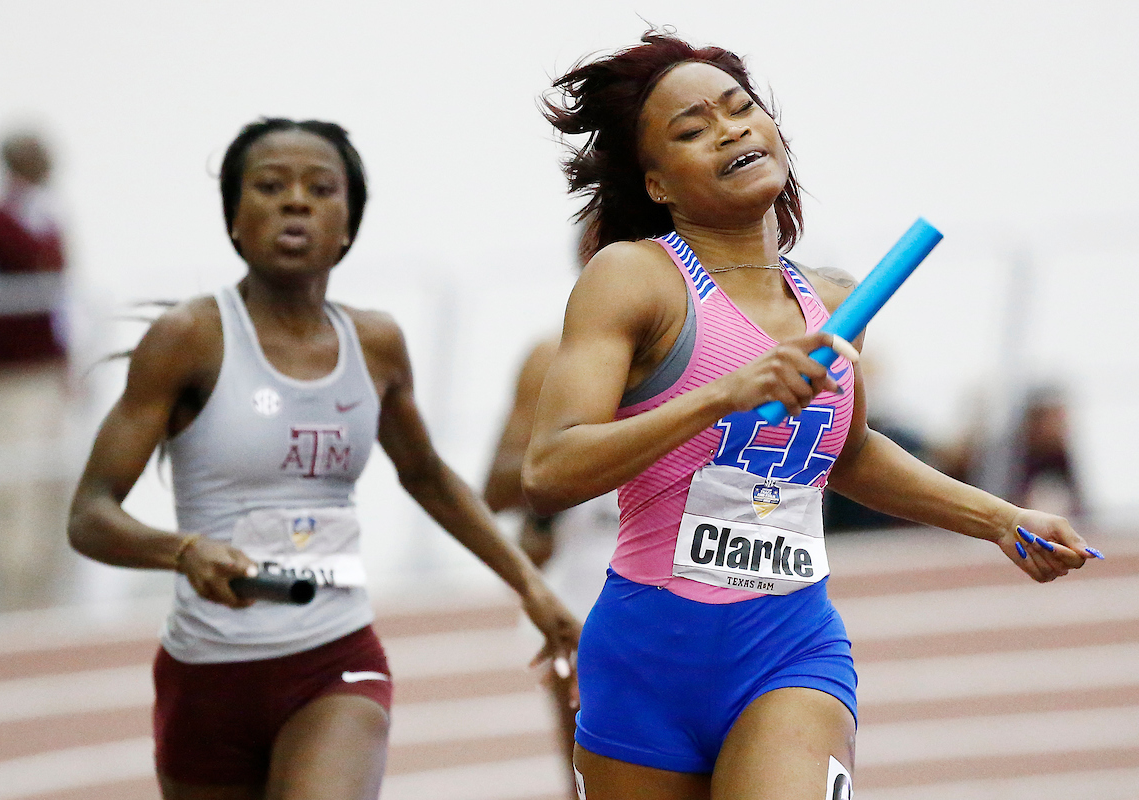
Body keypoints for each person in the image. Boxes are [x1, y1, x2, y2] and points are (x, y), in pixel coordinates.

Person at [522, 32, 1101, 800]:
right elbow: (549, 471)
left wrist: (998, 518)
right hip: (646, 657)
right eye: (692, 130)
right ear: (657, 183)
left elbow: (851, 455)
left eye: (740, 110)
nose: (730, 130)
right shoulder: (633, 278)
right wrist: (724, 394)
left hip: (790, 650)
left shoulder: (833, 303)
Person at [67, 118, 580, 800]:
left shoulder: (375, 344)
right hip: (207, 673)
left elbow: (427, 476)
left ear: (347, 225)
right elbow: (89, 514)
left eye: (320, 188)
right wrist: (185, 550)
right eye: (270, 186)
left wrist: (531, 585)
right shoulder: (188, 339)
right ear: (234, 221)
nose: (296, 202)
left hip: (334, 659)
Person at [485, 334, 619, 799]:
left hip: (711, 586)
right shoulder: (552, 360)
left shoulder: (729, 349)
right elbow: (496, 487)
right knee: (592, 786)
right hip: (585, 594)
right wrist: (558, 472)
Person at [0, 131, 75, 611]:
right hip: (8, 377)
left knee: (54, 483)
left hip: (46, 372)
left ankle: (48, 597)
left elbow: (64, 302)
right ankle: (13, 600)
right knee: (14, 489)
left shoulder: (49, 221)